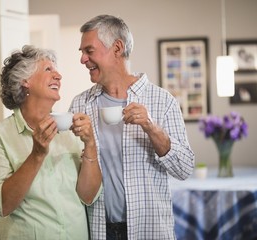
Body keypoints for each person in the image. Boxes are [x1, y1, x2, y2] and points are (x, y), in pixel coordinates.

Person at [69, 15, 195, 240]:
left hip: (150, 230)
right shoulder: (80, 105)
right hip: (98, 231)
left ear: (117, 48)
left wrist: (150, 127)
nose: (82, 59)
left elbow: (184, 168)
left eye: (89, 51)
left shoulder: (162, 101)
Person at [0, 45, 102, 240]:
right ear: (25, 81)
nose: (59, 76)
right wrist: (36, 154)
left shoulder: (72, 129)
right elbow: (2, 205)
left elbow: (88, 196)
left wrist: (90, 145)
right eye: (48, 69)